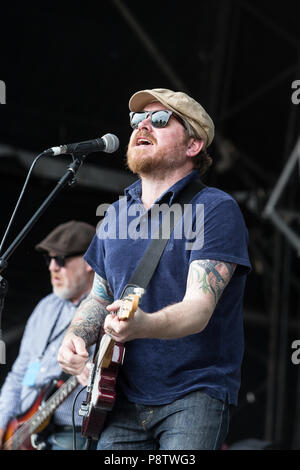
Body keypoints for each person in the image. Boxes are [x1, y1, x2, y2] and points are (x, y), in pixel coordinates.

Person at [58, 88, 251, 450]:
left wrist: (143, 325)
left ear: (193, 146)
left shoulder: (215, 209)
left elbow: (199, 308)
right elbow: (100, 297)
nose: (142, 124)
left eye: (160, 119)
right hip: (119, 399)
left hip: (192, 394)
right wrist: (76, 338)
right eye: (137, 119)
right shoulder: (116, 214)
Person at [0, 220, 95, 450]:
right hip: (21, 428)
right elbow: (20, 371)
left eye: (61, 260)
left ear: (90, 261)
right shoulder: (46, 307)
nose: (52, 267)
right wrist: (2, 422)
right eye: (49, 259)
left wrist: (91, 371)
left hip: (70, 432)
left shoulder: (103, 310)